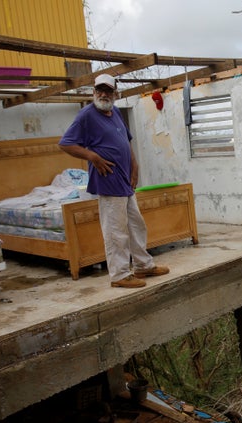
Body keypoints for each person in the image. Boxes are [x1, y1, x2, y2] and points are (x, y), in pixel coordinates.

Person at [59, 73, 169, 288]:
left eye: (108, 90)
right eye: (99, 90)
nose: (103, 94)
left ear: (115, 93)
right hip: (107, 180)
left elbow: (125, 141)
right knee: (115, 230)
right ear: (93, 92)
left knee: (137, 225)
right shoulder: (86, 116)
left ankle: (142, 265)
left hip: (125, 180)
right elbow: (66, 144)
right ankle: (119, 275)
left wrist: (134, 164)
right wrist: (93, 157)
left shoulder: (116, 112)